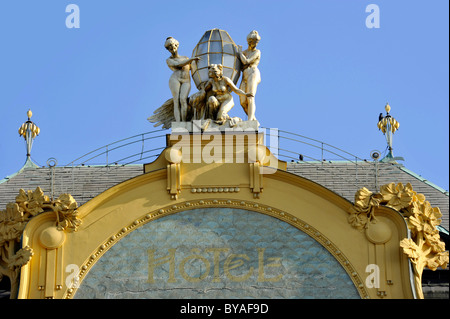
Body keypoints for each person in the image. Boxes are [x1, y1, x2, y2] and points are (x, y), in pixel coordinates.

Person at [164, 37, 199, 122]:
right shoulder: (169, 60)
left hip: (186, 81)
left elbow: (194, 68)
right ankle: (179, 123)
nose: (172, 49)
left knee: (183, 99)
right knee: (176, 101)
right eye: (169, 48)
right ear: (168, 49)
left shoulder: (185, 58)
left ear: (177, 46)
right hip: (175, 79)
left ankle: (183, 121)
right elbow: (179, 64)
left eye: (173, 46)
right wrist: (191, 59)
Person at [238, 30, 261, 122]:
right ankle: (253, 119)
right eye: (253, 41)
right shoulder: (244, 52)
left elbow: (246, 62)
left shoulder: (257, 52)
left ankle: (250, 119)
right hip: (244, 75)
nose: (255, 44)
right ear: (249, 41)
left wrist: (239, 53)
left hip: (253, 73)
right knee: (243, 101)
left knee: (250, 96)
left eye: (257, 42)